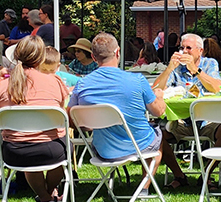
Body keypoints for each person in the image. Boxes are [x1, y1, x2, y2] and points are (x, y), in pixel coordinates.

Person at [0, 35, 70, 202]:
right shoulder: (55, 81)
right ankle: (47, 194)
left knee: (29, 145)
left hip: (15, 152)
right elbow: (62, 106)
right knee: (63, 147)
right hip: (53, 151)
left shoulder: (2, 84)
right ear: (42, 57)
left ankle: (44, 196)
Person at [68, 33, 168, 182]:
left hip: (103, 150)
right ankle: (143, 188)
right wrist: (159, 96)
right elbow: (159, 112)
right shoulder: (137, 80)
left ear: (94, 58)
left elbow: (71, 120)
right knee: (158, 137)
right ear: (117, 52)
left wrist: (90, 127)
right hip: (139, 146)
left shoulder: (82, 85)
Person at [152, 33, 221, 189]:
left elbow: (217, 87)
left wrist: (196, 70)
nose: (184, 51)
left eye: (188, 48)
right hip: (180, 120)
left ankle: (206, 174)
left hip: (207, 118)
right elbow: (155, 90)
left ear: (200, 51)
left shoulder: (210, 63)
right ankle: (179, 176)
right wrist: (169, 69)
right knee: (158, 136)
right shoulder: (176, 67)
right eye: (182, 47)